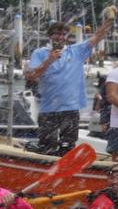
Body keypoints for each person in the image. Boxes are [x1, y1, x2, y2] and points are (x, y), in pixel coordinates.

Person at [25, 16, 113, 155]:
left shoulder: (76, 50)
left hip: (70, 108)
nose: (59, 37)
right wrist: (49, 60)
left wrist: (109, 19)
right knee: (47, 148)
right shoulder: (40, 53)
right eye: (56, 34)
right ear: (49, 36)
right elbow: (31, 76)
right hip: (48, 108)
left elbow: (97, 37)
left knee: (67, 148)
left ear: (66, 37)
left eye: (62, 34)